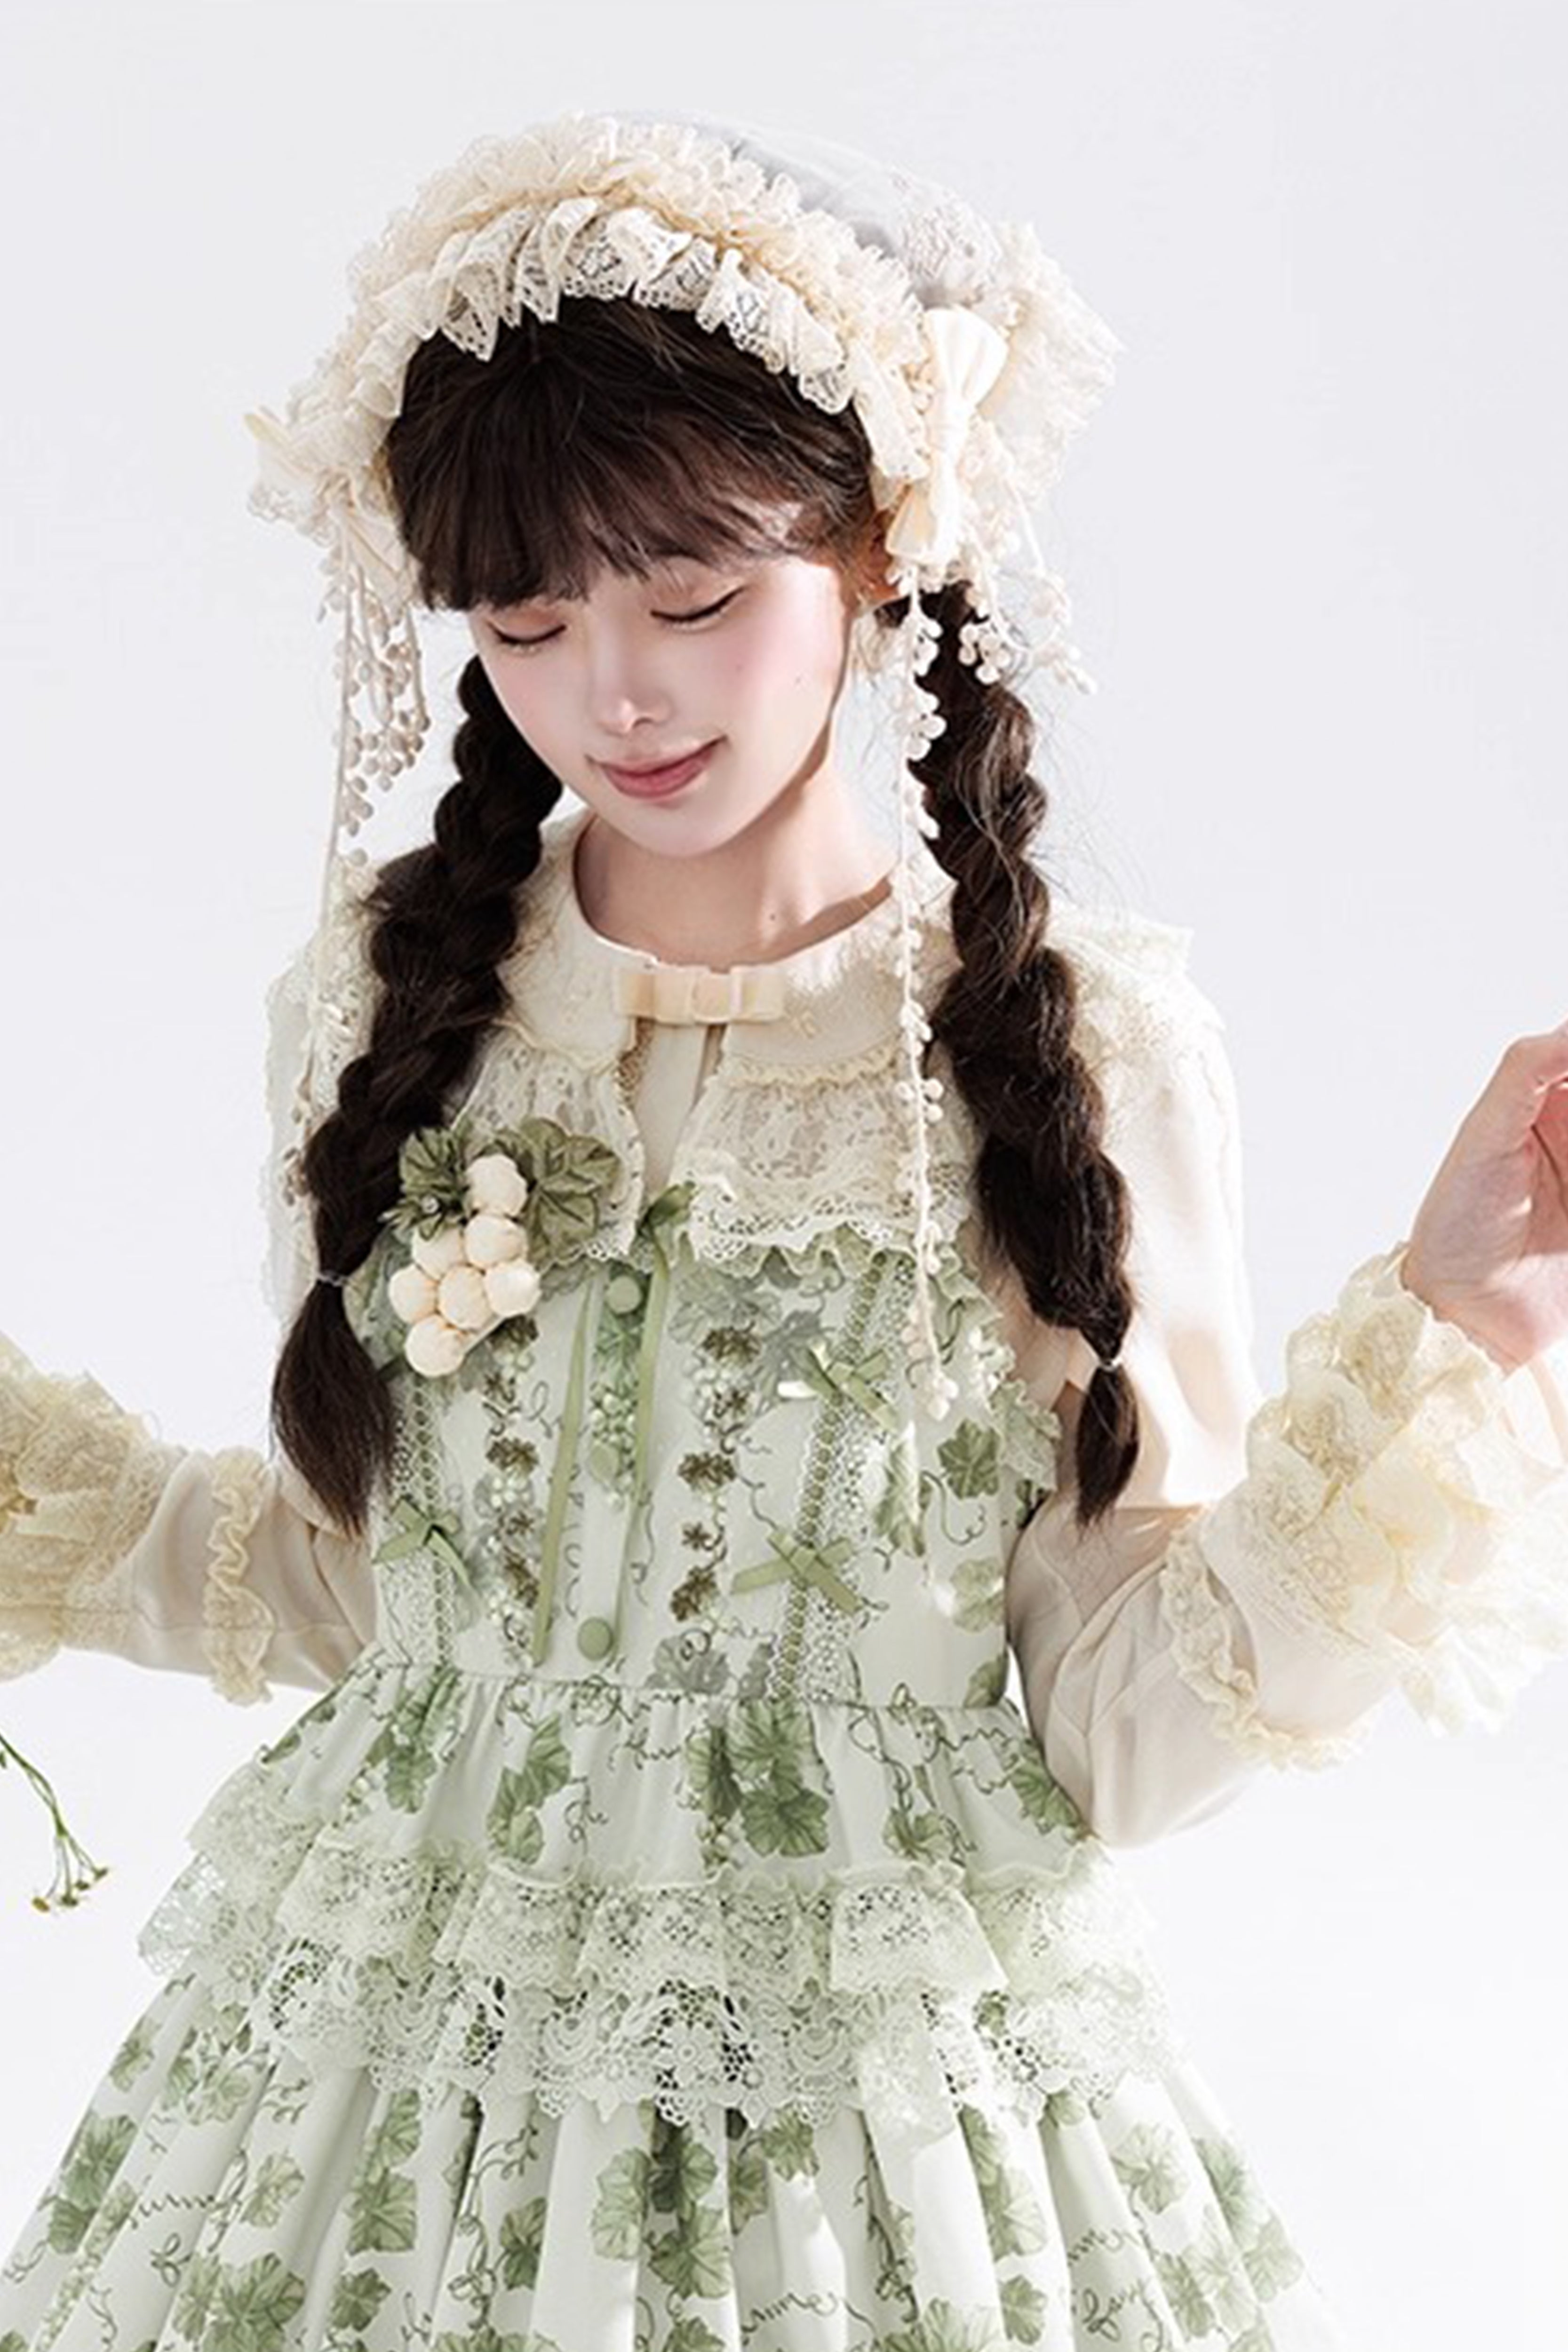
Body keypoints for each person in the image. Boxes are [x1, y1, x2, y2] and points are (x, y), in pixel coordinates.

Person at [2, 106, 1567, 2352]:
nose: (613, 694)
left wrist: (1457, 1328)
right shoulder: (390, 1001)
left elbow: (1122, 1724)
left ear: (882, 541)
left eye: (695, 598)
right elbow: (372, 1583)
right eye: (528, 621)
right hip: (396, 2103)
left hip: (874, 2150)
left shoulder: (1071, 1052)